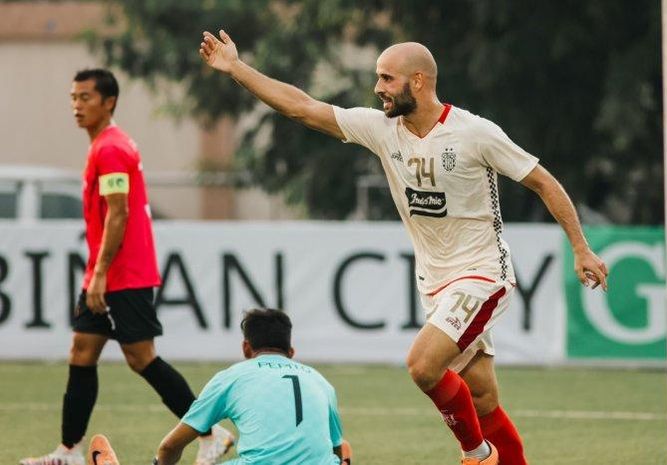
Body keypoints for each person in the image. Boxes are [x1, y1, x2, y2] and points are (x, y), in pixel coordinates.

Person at [198, 31, 610, 465]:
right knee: (483, 400)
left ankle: (477, 455)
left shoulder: (475, 133)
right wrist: (236, 68)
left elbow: (543, 181)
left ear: (418, 81)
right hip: (435, 284)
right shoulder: (382, 130)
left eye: (386, 78)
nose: (378, 88)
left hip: (483, 274)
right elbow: (302, 107)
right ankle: (492, 451)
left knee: (422, 365)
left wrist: (581, 249)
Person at [20, 69, 234, 465]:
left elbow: (118, 215)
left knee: (141, 357)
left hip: (123, 274)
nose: (77, 106)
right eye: (73, 97)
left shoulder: (112, 148)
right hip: (105, 272)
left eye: (86, 98)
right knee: (82, 351)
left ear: (109, 102)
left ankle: (211, 433)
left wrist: (100, 273)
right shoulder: (103, 145)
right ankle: (68, 451)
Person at [87, 309, 352, 465]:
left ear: (246, 348)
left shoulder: (232, 377)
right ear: (291, 351)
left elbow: (169, 448)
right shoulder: (321, 382)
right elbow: (338, 450)